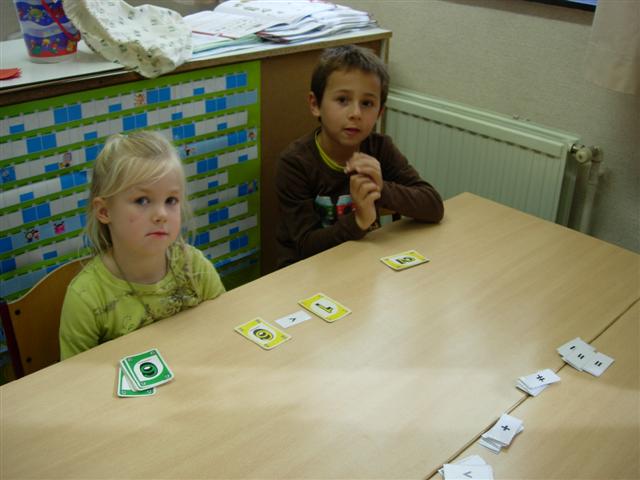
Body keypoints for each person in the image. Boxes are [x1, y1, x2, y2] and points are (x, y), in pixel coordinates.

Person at [275, 45, 444, 268]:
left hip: (362, 263)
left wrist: (381, 189)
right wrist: (358, 221)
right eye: (342, 100)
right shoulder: (295, 163)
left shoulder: (380, 148)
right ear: (315, 105)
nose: (356, 113)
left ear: (379, 112)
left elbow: (433, 206)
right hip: (308, 273)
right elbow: (305, 246)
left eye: (367, 103)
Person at [59, 131, 225, 359]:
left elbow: (224, 329)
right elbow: (76, 376)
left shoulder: (194, 266)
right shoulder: (86, 297)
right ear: (104, 211)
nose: (161, 214)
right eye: (142, 200)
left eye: (171, 200)